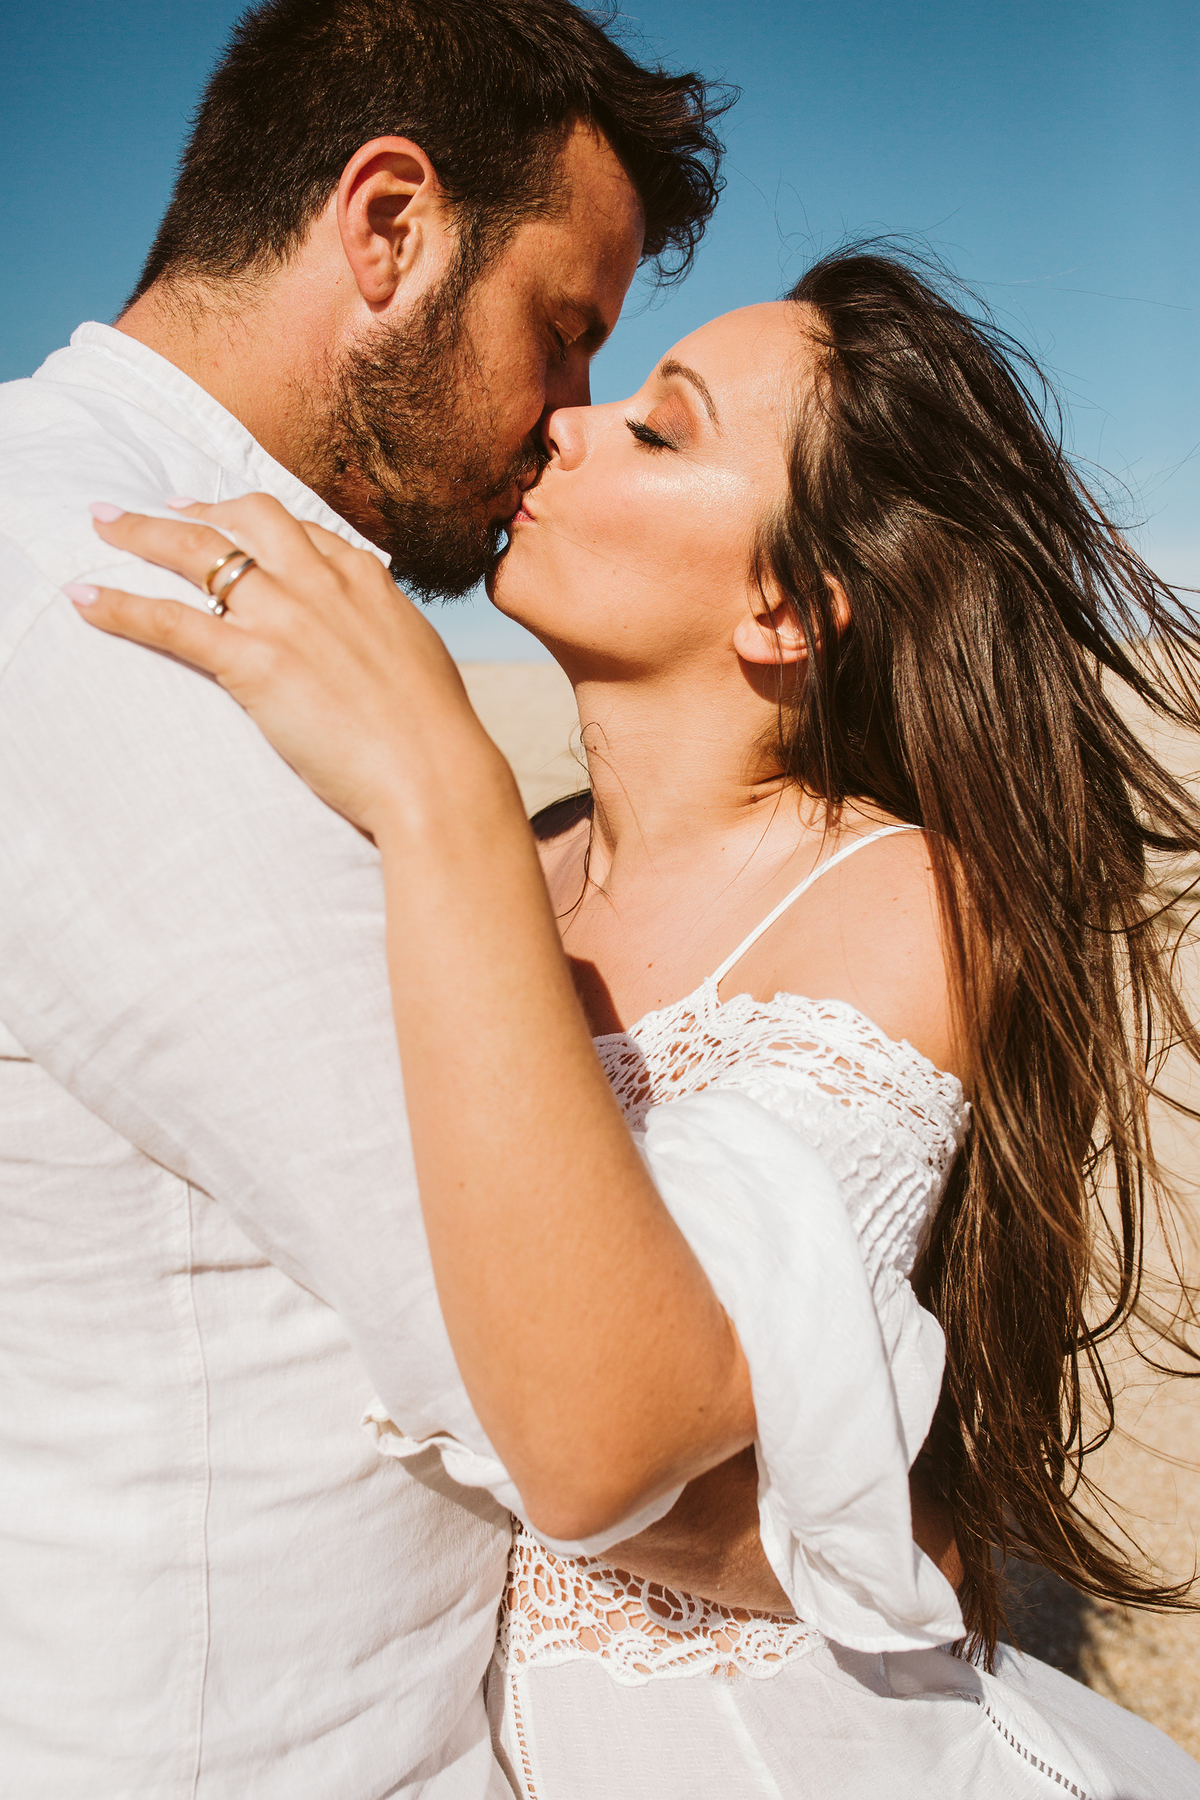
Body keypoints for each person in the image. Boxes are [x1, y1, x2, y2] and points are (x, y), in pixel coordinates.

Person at [75, 249, 1200, 1796]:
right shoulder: (505, 876)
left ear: (791, 608)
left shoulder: (895, 897)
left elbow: (606, 1446)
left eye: (660, 430)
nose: (569, 425)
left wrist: (438, 784)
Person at [0, 2, 737, 1793]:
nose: (565, 423)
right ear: (388, 226)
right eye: (562, 332)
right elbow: (559, 1391)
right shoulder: (140, 605)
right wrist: (903, 1571)